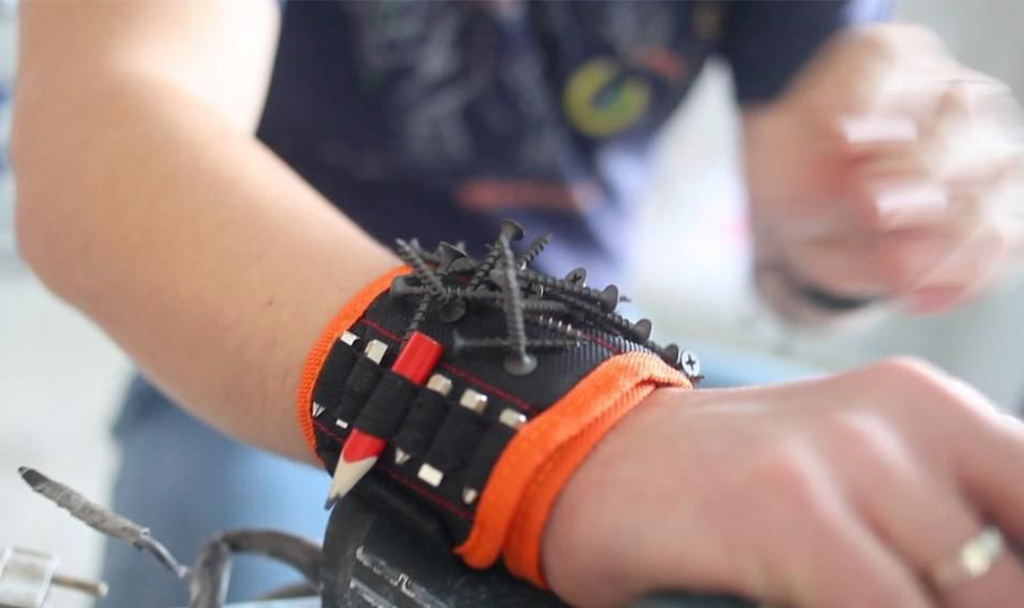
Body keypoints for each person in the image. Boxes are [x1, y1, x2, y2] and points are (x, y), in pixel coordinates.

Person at [11, 1, 1024, 608]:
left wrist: (857, 225)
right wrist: (549, 431)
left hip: (609, 361)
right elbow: (107, 131)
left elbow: (802, 246)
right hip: (249, 340)